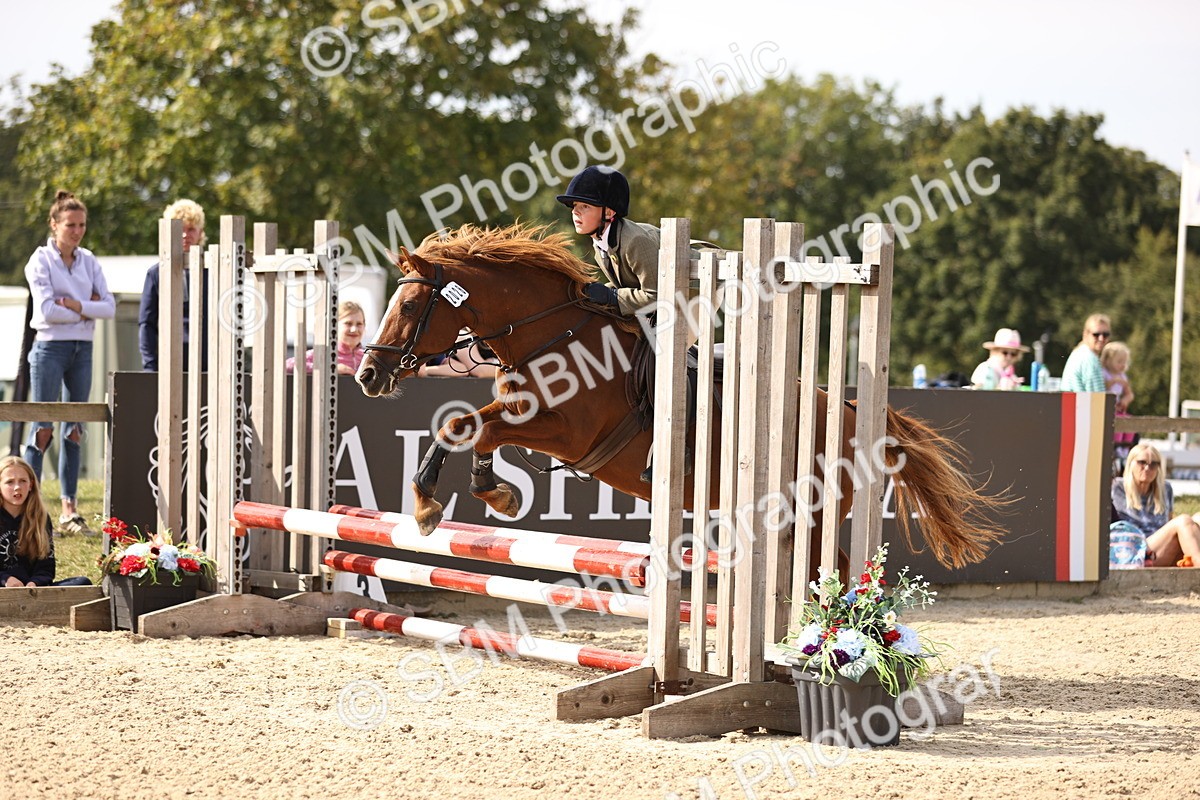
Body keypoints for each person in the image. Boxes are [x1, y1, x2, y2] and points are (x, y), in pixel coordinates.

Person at [24, 190, 115, 537]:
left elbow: (108, 306)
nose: (77, 231)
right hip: (49, 348)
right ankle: (29, 510)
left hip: (83, 350)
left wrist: (75, 306)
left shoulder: (89, 260)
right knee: (42, 429)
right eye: (70, 225)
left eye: (82, 225)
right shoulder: (40, 261)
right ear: (55, 224)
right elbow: (45, 311)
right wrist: (87, 305)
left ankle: (69, 512)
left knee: (75, 429)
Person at [556, 165, 659, 316]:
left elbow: (657, 297)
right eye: (575, 205)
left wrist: (613, 296)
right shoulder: (601, 240)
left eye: (585, 206)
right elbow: (628, 282)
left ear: (608, 213)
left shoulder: (635, 241)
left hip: (697, 294)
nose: (575, 211)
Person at [0, 456, 92, 587]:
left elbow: (46, 568)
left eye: (22, 481)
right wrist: (6, 579)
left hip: (33, 591)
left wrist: (35, 583)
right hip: (3, 589)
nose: (17, 487)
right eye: (10, 482)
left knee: (83, 583)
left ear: (31, 485)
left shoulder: (40, 517)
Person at [138, 199, 208, 371]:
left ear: (201, 233)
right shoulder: (156, 273)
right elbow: (146, 323)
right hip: (168, 362)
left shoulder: (213, 271)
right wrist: (150, 366)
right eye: (180, 229)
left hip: (207, 362)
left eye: (191, 229)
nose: (185, 235)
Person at [1111, 443, 1200, 568]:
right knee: (1183, 520)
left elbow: (1169, 523)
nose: (1147, 468)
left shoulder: (1165, 489)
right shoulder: (1116, 487)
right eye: (1142, 462)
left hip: (1161, 548)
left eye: (1153, 464)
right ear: (1130, 463)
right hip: (1134, 550)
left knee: (1198, 518)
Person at [286, 300, 368, 375]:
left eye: (359, 324)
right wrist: (331, 368)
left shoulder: (368, 357)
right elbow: (289, 364)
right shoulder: (324, 353)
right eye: (348, 323)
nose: (354, 329)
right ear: (334, 326)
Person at [1061, 313, 1110, 393]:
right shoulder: (1089, 359)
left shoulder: (1080, 352)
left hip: (1073, 404)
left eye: (1105, 334)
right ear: (1085, 334)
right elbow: (1097, 399)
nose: (1101, 338)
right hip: (1081, 405)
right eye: (1096, 334)